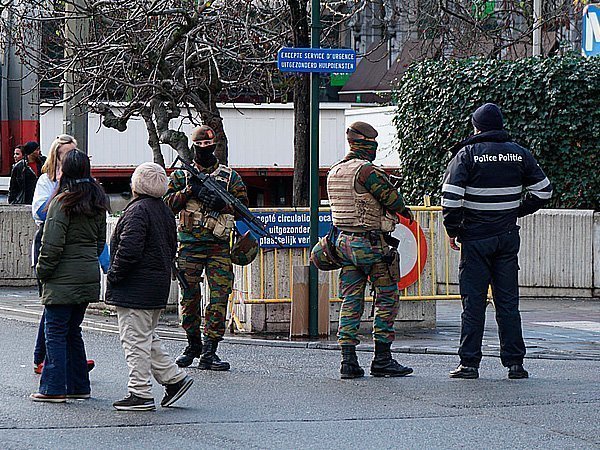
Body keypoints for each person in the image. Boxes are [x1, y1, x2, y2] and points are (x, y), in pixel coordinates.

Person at [441, 103, 553, 380]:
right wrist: (516, 210)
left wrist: (453, 229)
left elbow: (451, 198)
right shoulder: (519, 153)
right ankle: (515, 364)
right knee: (507, 303)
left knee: (473, 304)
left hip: (476, 238)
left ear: (476, 127)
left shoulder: (466, 154)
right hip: (506, 237)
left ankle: (469, 364)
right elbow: (544, 191)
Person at [327, 121, 414, 379]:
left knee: (351, 300)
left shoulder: (335, 170)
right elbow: (394, 201)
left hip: (343, 244)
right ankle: (382, 359)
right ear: (366, 144)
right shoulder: (367, 172)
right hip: (371, 245)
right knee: (386, 297)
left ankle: (348, 361)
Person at [106, 162, 194, 411]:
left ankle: (140, 392)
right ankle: (174, 379)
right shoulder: (163, 210)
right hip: (155, 285)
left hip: (136, 288)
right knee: (146, 337)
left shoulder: (137, 211)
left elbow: (129, 250)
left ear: (136, 184)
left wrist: (114, 275)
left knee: (134, 341)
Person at [164, 125, 248, 371]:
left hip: (218, 247)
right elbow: (167, 204)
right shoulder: (182, 176)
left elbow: (243, 208)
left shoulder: (229, 177)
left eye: (208, 146)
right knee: (189, 298)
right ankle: (193, 345)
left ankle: (210, 350)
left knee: (219, 298)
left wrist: (223, 205)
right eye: (200, 146)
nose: (204, 150)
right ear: (193, 148)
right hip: (189, 246)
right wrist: (190, 191)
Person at [30, 150, 108, 403]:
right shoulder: (97, 202)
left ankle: (53, 388)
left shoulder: (62, 202)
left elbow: (51, 245)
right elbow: (100, 243)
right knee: (73, 331)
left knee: (55, 332)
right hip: (87, 275)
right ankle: (79, 385)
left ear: (66, 172)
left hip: (62, 278)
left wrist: (42, 272)